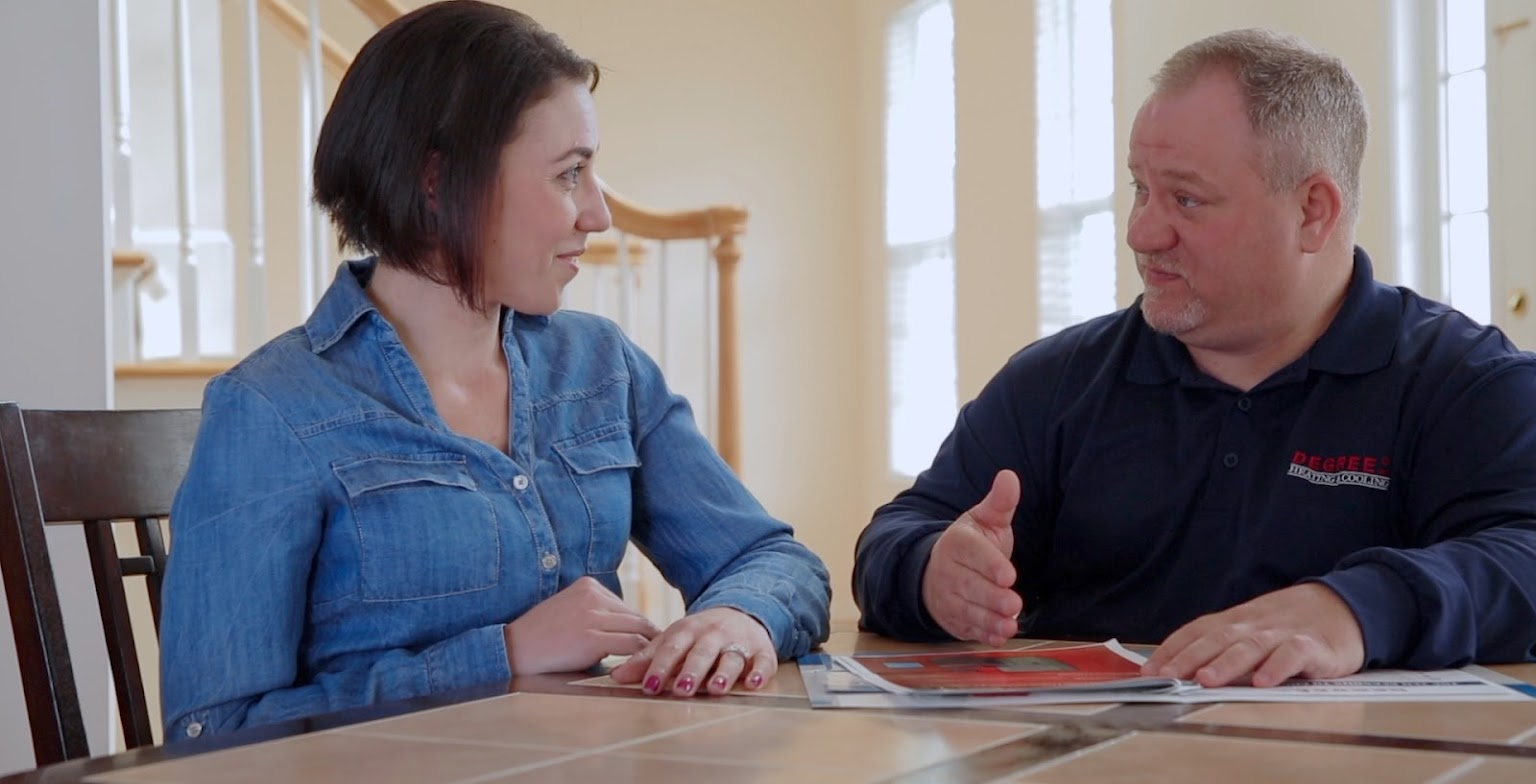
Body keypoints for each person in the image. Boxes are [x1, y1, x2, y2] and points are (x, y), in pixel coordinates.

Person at [159, 0, 830, 740]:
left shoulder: (602, 367)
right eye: (569, 174)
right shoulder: (270, 411)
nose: (599, 214)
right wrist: (501, 656)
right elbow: (213, 734)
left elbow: (773, 560)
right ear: (438, 180)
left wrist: (739, 617)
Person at [853, 27, 1536, 689]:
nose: (1141, 232)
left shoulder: (1465, 384)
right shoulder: (1053, 383)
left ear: (1313, 212)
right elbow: (898, 534)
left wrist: (1354, 608)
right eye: (1139, 189)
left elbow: (1524, 551)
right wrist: (931, 571)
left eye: (1185, 197)